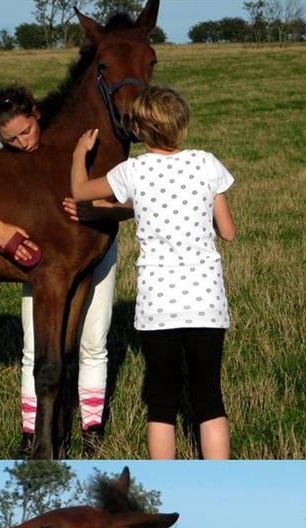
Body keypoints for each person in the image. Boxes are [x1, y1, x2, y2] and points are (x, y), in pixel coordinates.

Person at [0, 84, 118, 452]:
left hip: (96, 237)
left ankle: (92, 430)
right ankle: (32, 433)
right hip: (47, 251)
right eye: (12, 139)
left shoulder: (69, 119)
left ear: (37, 112)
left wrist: (98, 208)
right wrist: (0, 228)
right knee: (35, 345)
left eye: (26, 131)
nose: (22, 142)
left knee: (93, 340)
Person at [68, 84, 235, 461]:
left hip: (158, 305)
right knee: (209, 398)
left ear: (138, 131)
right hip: (206, 301)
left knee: (161, 403)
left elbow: (79, 190)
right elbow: (228, 232)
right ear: (182, 125)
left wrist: (80, 153)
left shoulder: (132, 170)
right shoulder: (207, 163)